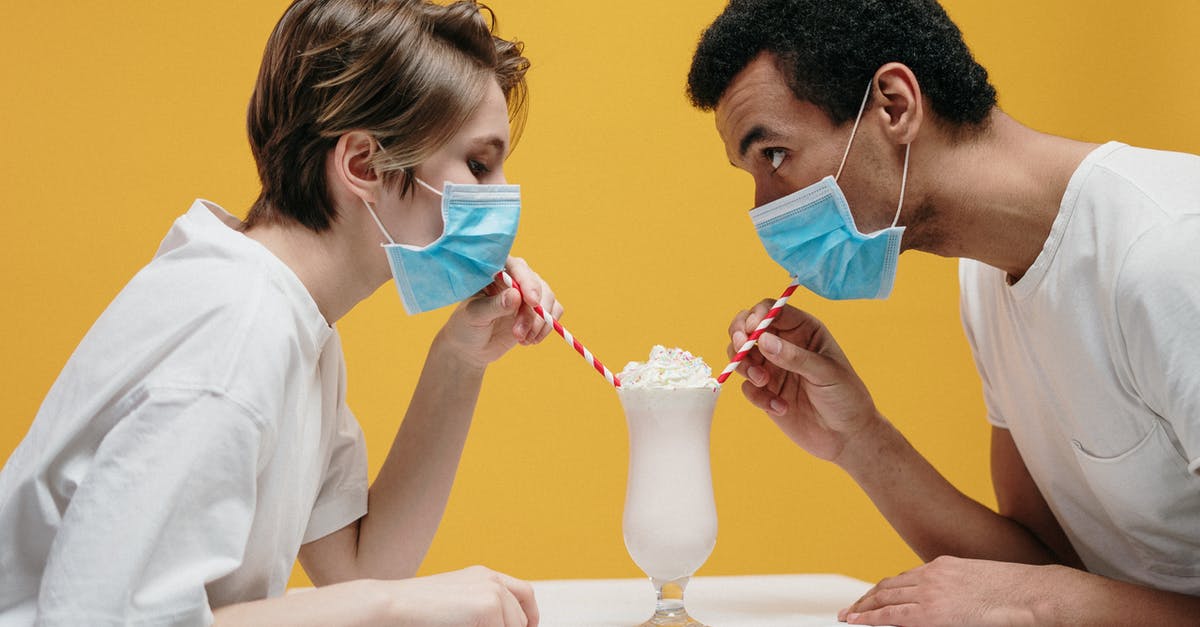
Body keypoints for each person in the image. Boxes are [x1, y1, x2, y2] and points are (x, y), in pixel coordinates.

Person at [0, 1, 555, 625]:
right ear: (363, 165)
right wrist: (391, 607)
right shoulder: (236, 336)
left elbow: (359, 565)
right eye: (479, 166)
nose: (501, 196)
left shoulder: (291, 321)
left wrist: (461, 359)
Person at [686, 0, 1200, 624]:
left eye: (772, 155)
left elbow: (1044, 593)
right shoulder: (987, 279)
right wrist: (858, 439)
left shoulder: (1172, 255)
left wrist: (1044, 604)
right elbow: (1042, 566)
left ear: (893, 105)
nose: (765, 209)